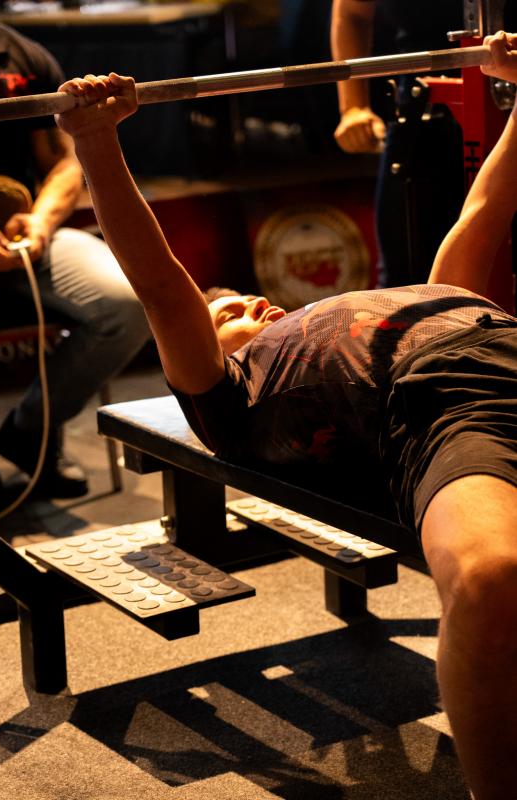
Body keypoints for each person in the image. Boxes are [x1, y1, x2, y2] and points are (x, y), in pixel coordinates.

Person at [55, 30, 517, 798]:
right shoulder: (227, 395)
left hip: (499, 344)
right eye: (229, 311)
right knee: (491, 577)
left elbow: (481, 214)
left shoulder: (405, 301)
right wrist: (96, 142)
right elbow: (161, 283)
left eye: (248, 298)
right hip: (442, 402)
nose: (252, 303)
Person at [0, 18, 151, 505]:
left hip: (24, 232)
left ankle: (29, 431)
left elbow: (61, 160)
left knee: (130, 303)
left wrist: (39, 223)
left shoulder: (20, 54)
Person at [330, 0, 468, 287]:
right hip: (421, 110)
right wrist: (353, 107)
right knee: (405, 281)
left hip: (508, 101)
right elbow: (352, 12)